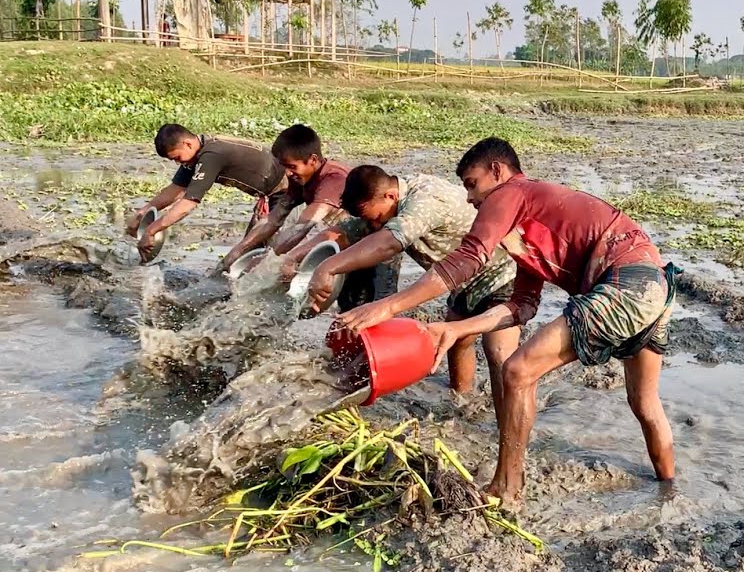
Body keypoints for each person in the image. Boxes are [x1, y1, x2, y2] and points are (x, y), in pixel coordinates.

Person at [335, 138, 679, 507]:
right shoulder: (527, 226)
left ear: (497, 172)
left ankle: (506, 487)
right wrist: (455, 329)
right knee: (644, 402)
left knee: (516, 371)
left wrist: (388, 307)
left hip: (626, 282)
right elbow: (521, 307)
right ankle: (670, 490)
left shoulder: (512, 190)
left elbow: (466, 259)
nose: (469, 198)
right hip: (652, 285)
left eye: (472, 184)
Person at [297, 165, 520, 401]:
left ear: (390, 196)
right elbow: (342, 233)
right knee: (456, 341)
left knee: (499, 354)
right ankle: (463, 402)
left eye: (376, 219)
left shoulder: (425, 199)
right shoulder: (384, 206)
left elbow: (388, 244)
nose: (374, 226)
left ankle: (506, 425)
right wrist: (294, 257)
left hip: (501, 270)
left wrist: (328, 267)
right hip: (462, 278)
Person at [129, 124, 287, 260]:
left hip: (288, 192)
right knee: (246, 256)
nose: (178, 163)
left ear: (187, 144)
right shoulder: (197, 154)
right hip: (270, 195)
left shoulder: (212, 155)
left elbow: (188, 203)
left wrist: (151, 230)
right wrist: (143, 212)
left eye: (177, 157)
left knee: (273, 255)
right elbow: (175, 190)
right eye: (174, 160)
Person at [216, 124, 352, 275]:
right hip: (341, 238)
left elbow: (302, 226)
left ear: (312, 160)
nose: (287, 173)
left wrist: (268, 259)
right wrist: (235, 254)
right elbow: (273, 219)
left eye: (292, 166)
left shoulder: (334, 179)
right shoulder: (301, 178)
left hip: (365, 240)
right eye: (284, 167)